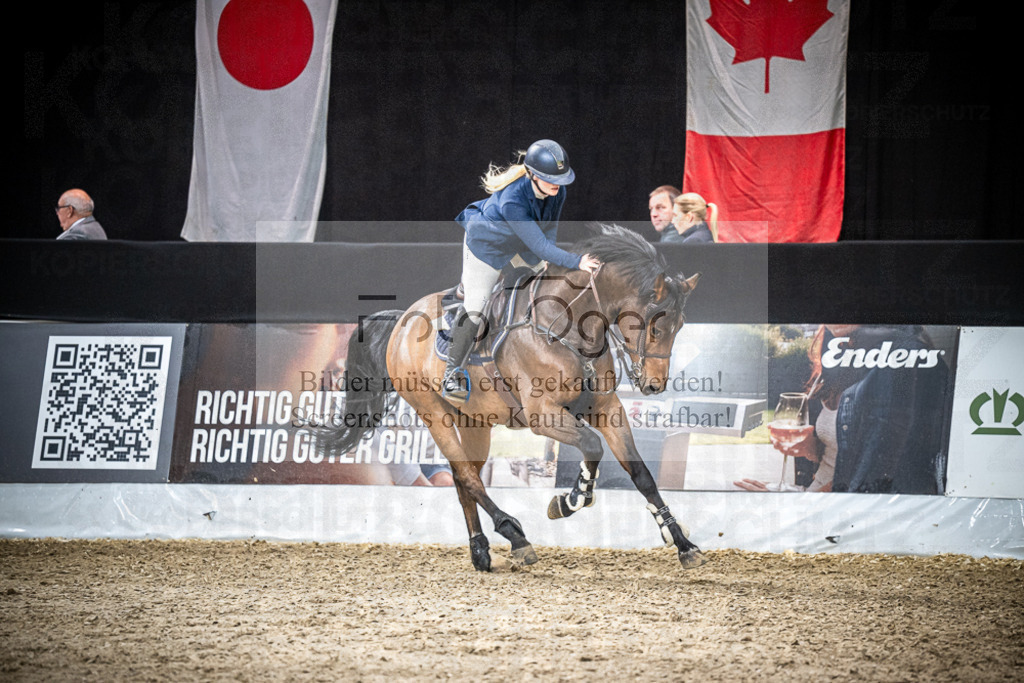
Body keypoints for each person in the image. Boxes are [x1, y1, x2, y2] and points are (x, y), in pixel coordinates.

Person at [445, 139, 602, 403]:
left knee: (548, 286)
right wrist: (577, 262)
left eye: (560, 178)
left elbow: (548, 232)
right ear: (532, 175)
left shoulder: (557, 191)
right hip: (488, 247)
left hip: (521, 244)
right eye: (550, 178)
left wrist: (549, 261)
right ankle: (452, 373)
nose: (558, 184)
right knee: (476, 307)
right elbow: (540, 246)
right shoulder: (512, 200)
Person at [734, 325, 949, 494]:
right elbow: (842, 455)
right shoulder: (838, 357)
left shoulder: (906, 359)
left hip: (839, 508)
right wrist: (811, 449)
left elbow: (877, 478)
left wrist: (798, 503)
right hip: (818, 497)